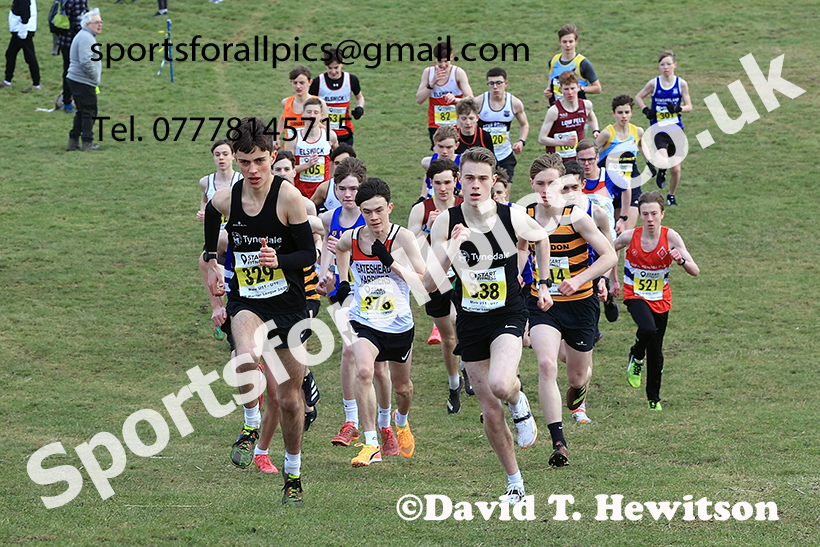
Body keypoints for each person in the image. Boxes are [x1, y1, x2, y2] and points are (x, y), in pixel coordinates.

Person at [426, 147, 551, 504]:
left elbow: (541, 238)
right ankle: (515, 482)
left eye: (483, 178)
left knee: (500, 384)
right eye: (469, 178)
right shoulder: (446, 221)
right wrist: (453, 246)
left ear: (494, 180)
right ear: (459, 181)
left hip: (508, 313)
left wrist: (543, 284)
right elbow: (430, 283)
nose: (476, 185)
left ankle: (518, 399)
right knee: (489, 410)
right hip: (470, 320)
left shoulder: (511, 216)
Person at [204, 116, 316, 505]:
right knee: (247, 356)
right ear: (236, 160)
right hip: (248, 300)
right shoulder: (228, 198)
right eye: (245, 162)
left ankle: (293, 472)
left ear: (272, 156)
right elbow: (211, 213)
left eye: (260, 161)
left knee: (289, 400)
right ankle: (251, 425)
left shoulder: (289, 198)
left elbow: (308, 254)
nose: (252, 170)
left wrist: (278, 260)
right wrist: (212, 258)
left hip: (288, 306)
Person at [523, 153, 616, 467]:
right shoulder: (525, 216)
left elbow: (609, 256)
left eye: (552, 183)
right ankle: (558, 442)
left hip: (580, 304)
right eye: (540, 184)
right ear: (532, 185)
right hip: (543, 302)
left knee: (577, 375)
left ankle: (578, 390)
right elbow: (518, 253)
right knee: (546, 364)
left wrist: (579, 280)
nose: (546, 190)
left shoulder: (576, 217)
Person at [334, 178, 427, 467]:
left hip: (398, 324)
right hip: (365, 319)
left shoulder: (403, 239)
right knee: (364, 371)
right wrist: (344, 281)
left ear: (390, 207)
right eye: (366, 211)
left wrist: (391, 263)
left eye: (378, 210)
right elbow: (340, 249)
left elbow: (425, 283)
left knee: (403, 388)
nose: (373, 217)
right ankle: (371, 443)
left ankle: (401, 421)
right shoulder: (353, 237)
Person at [613, 191, 699, 409]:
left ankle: (653, 399)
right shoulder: (630, 236)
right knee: (647, 329)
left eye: (654, 213)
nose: (649, 219)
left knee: (656, 351)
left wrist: (681, 261)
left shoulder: (671, 237)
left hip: (660, 299)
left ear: (662, 214)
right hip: (635, 295)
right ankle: (636, 355)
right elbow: (609, 251)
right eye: (645, 214)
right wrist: (611, 279)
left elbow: (695, 270)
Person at [407, 158, 464, 413]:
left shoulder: (465, 205)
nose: (443, 188)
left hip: (463, 275)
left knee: (460, 321)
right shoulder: (421, 209)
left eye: (447, 182)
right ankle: (454, 384)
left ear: (456, 180)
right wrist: (429, 229)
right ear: (430, 183)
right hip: (433, 278)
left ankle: (468, 366)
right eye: (437, 183)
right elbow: (410, 248)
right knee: (448, 335)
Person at [196, 140, 242, 339]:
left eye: (225, 154)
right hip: (216, 240)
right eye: (217, 155)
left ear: (233, 156)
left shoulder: (241, 180)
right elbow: (205, 200)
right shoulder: (206, 182)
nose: (221, 158)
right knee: (208, 266)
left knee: (231, 280)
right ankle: (218, 310)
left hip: (236, 239)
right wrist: (203, 213)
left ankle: (233, 316)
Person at [635, 50, 693, 207]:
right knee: (662, 158)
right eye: (662, 64)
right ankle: (662, 169)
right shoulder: (654, 83)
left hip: (676, 130)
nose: (665, 67)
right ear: (658, 66)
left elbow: (689, 106)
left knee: (676, 170)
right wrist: (646, 110)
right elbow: (638, 97)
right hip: (658, 129)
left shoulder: (681, 84)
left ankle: (671, 196)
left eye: (668, 64)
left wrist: (678, 108)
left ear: (675, 65)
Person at [474, 67, 529, 183]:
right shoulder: (479, 102)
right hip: (483, 155)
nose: (495, 87)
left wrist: (521, 141)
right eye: (491, 83)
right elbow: (465, 121)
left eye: (499, 83)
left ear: (506, 83)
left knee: (504, 191)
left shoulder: (514, 103)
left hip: (505, 155)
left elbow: (524, 124)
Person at [416, 40, 473, 148]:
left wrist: (455, 99)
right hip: (436, 125)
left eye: (446, 61)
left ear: (451, 57)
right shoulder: (428, 72)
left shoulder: (458, 73)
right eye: (439, 61)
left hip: (457, 125)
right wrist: (432, 83)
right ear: (434, 58)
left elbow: (471, 99)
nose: (443, 65)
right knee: (441, 155)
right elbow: (419, 99)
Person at [538, 71, 599, 162]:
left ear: (578, 88)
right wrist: (564, 142)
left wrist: (596, 130)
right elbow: (542, 139)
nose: (570, 92)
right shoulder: (554, 111)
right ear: (561, 89)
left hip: (578, 159)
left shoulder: (586, 105)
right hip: (557, 161)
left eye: (572, 88)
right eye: (566, 89)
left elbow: (591, 118)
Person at [309, 47, 364, 145]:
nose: (333, 72)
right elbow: (308, 105)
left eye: (336, 67)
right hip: (323, 133)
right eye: (330, 68)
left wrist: (360, 108)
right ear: (325, 65)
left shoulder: (351, 80)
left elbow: (359, 97)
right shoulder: (318, 82)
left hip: (345, 133)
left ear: (342, 64)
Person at [285, 97, 338, 198]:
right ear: (302, 114)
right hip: (300, 194)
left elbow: (341, 159)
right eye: (309, 112)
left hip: (324, 194)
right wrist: (307, 165)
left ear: (321, 115)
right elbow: (287, 169)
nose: (312, 116)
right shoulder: (294, 138)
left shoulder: (330, 136)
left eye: (316, 112)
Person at [65, 9, 102, 152]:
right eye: (96, 22)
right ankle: (87, 142)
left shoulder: (86, 36)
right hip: (83, 81)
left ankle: (73, 141)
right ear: (87, 24)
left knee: (82, 112)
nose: (99, 25)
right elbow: (85, 61)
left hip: (78, 80)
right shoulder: (86, 38)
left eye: (100, 22)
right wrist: (94, 76)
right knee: (89, 112)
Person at [543, 23, 601, 105]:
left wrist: (581, 89)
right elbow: (551, 83)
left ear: (576, 42)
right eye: (564, 42)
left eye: (571, 41)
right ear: (560, 42)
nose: (568, 45)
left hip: (577, 109)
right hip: (557, 108)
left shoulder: (583, 63)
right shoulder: (553, 61)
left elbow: (598, 88)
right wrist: (548, 91)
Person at [276, 65, 322, 150]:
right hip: (291, 150)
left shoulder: (319, 103)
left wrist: (314, 123)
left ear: (310, 82)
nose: (298, 86)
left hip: (311, 150)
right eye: (295, 83)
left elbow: (328, 130)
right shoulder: (286, 102)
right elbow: (283, 119)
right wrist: (277, 138)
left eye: (302, 83)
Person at [2, 0, 40, 93]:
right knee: (10, 54)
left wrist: (23, 29)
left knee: (29, 57)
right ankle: (7, 81)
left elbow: (25, 12)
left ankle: (36, 84)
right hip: (21, 29)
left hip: (23, 30)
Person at [55, 0, 86, 113]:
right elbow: (79, 23)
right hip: (75, 42)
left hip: (64, 41)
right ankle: (77, 102)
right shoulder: (79, 1)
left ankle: (67, 102)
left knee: (68, 71)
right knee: (80, 73)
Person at [311, 143, 356, 214]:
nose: (340, 167)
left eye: (344, 163)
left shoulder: (362, 186)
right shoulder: (325, 188)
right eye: (337, 163)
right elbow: (308, 207)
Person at [419, 125, 461, 200]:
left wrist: (456, 192)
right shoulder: (428, 162)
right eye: (441, 147)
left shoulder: (463, 165)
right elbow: (428, 176)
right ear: (435, 144)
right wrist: (422, 196)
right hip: (432, 204)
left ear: (456, 145)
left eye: (449, 147)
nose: (444, 151)